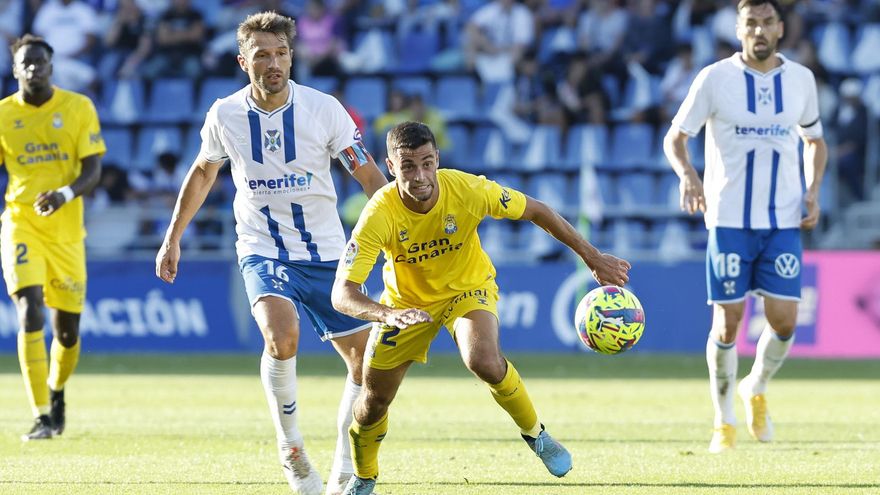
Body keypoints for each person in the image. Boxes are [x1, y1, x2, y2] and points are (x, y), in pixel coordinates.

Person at [154, 12, 388, 495]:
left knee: (365, 365)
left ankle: (345, 465)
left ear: (292, 56)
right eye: (262, 54)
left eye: (281, 52)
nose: (273, 62)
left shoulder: (325, 109)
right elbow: (202, 173)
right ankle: (291, 447)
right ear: (244, 61)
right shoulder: (225, 114)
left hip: (326, 251)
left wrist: (400, 231)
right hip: (262, 249)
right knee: (282, 337)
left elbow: (366, 174)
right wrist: (172, 236)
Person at [331, 121, 632, 494]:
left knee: (484, 360)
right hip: (405, 306)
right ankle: (365, 475)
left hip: (467, 289)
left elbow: (537, 210)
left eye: (427, 162)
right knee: (374, 401)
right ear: (391, 168)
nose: (420, 175)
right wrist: (386, 313)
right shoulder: (379, 213)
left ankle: (536, 434)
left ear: (437, 159)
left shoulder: (467, 189)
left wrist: (592, 256)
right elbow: (342, 293)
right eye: (408, 166)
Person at [662, 0, 827, 454]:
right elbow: (675, 138)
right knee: (728, 324)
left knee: (785, 321)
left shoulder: (801, 80)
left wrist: (813, 190)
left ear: (779, 29)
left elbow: (815, 140)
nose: (758, 29)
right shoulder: (715, 78)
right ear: (739, 29)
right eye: (750, 22)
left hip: (782, 219)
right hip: (729, 219)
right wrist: (689, 176)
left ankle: (755, 385)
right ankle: (723, 422)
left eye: (766, 22)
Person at [0, 34, 105, 441]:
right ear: (15, 69)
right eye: (26, 63)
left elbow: (92, 169)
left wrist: (63, 195)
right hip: (21, 222)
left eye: (40, 61)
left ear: (51, 65)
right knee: (29, 311)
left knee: (67, 333)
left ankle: (57, 392)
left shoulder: (78, 108)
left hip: (66, 231)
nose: (33, 68)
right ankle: (41, 414)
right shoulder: (4, 114)